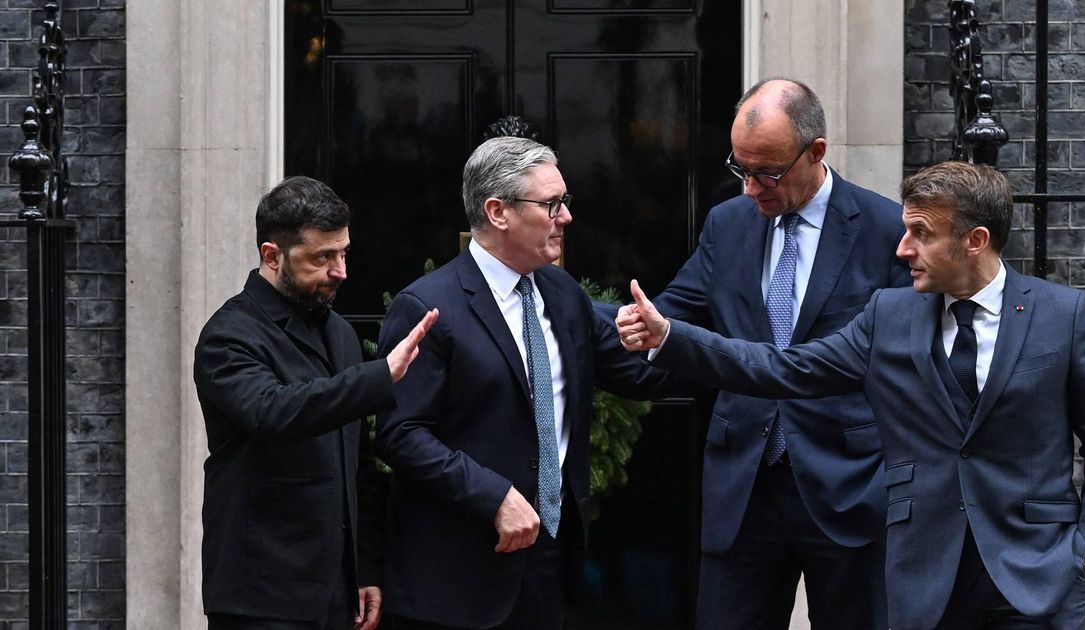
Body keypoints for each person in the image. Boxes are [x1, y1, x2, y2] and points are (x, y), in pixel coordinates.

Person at [618, 160, 1085, 629]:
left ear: (975, 241)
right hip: (924, 578)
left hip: (1037, 575)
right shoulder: (888, 315)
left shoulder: (1062, 315)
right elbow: (785, 368)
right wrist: (671, 337)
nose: (902, 248)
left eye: (921, 234)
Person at [374, 136, 678, 629]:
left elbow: (640, 374)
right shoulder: (428, 307)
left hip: (547, 564)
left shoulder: (562, 293)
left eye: (565, 201)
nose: (566, 217)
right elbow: (400, 433)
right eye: (551, 204)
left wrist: (715, 352)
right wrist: (493, 495)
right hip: (457, 577)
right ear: (498, 212)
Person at [642, 77, 908, 628]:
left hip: (848, 485)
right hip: (744, 485)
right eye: (740, 168)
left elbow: (903, 363)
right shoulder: (727, 223)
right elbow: (674, 316)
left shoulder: (886, 229)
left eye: (767, 172)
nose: (750, 188)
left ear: (816, 152)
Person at [193, 176, 438, 630]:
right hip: (260, 597)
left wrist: (365, 569)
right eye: (322, 257)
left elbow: (358, 464)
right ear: (272, 256)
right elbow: (272, 411)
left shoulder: (339, 333)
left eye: (343, 253)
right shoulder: (228, 335)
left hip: (336, 593)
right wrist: (379, 375)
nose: (340, 271)